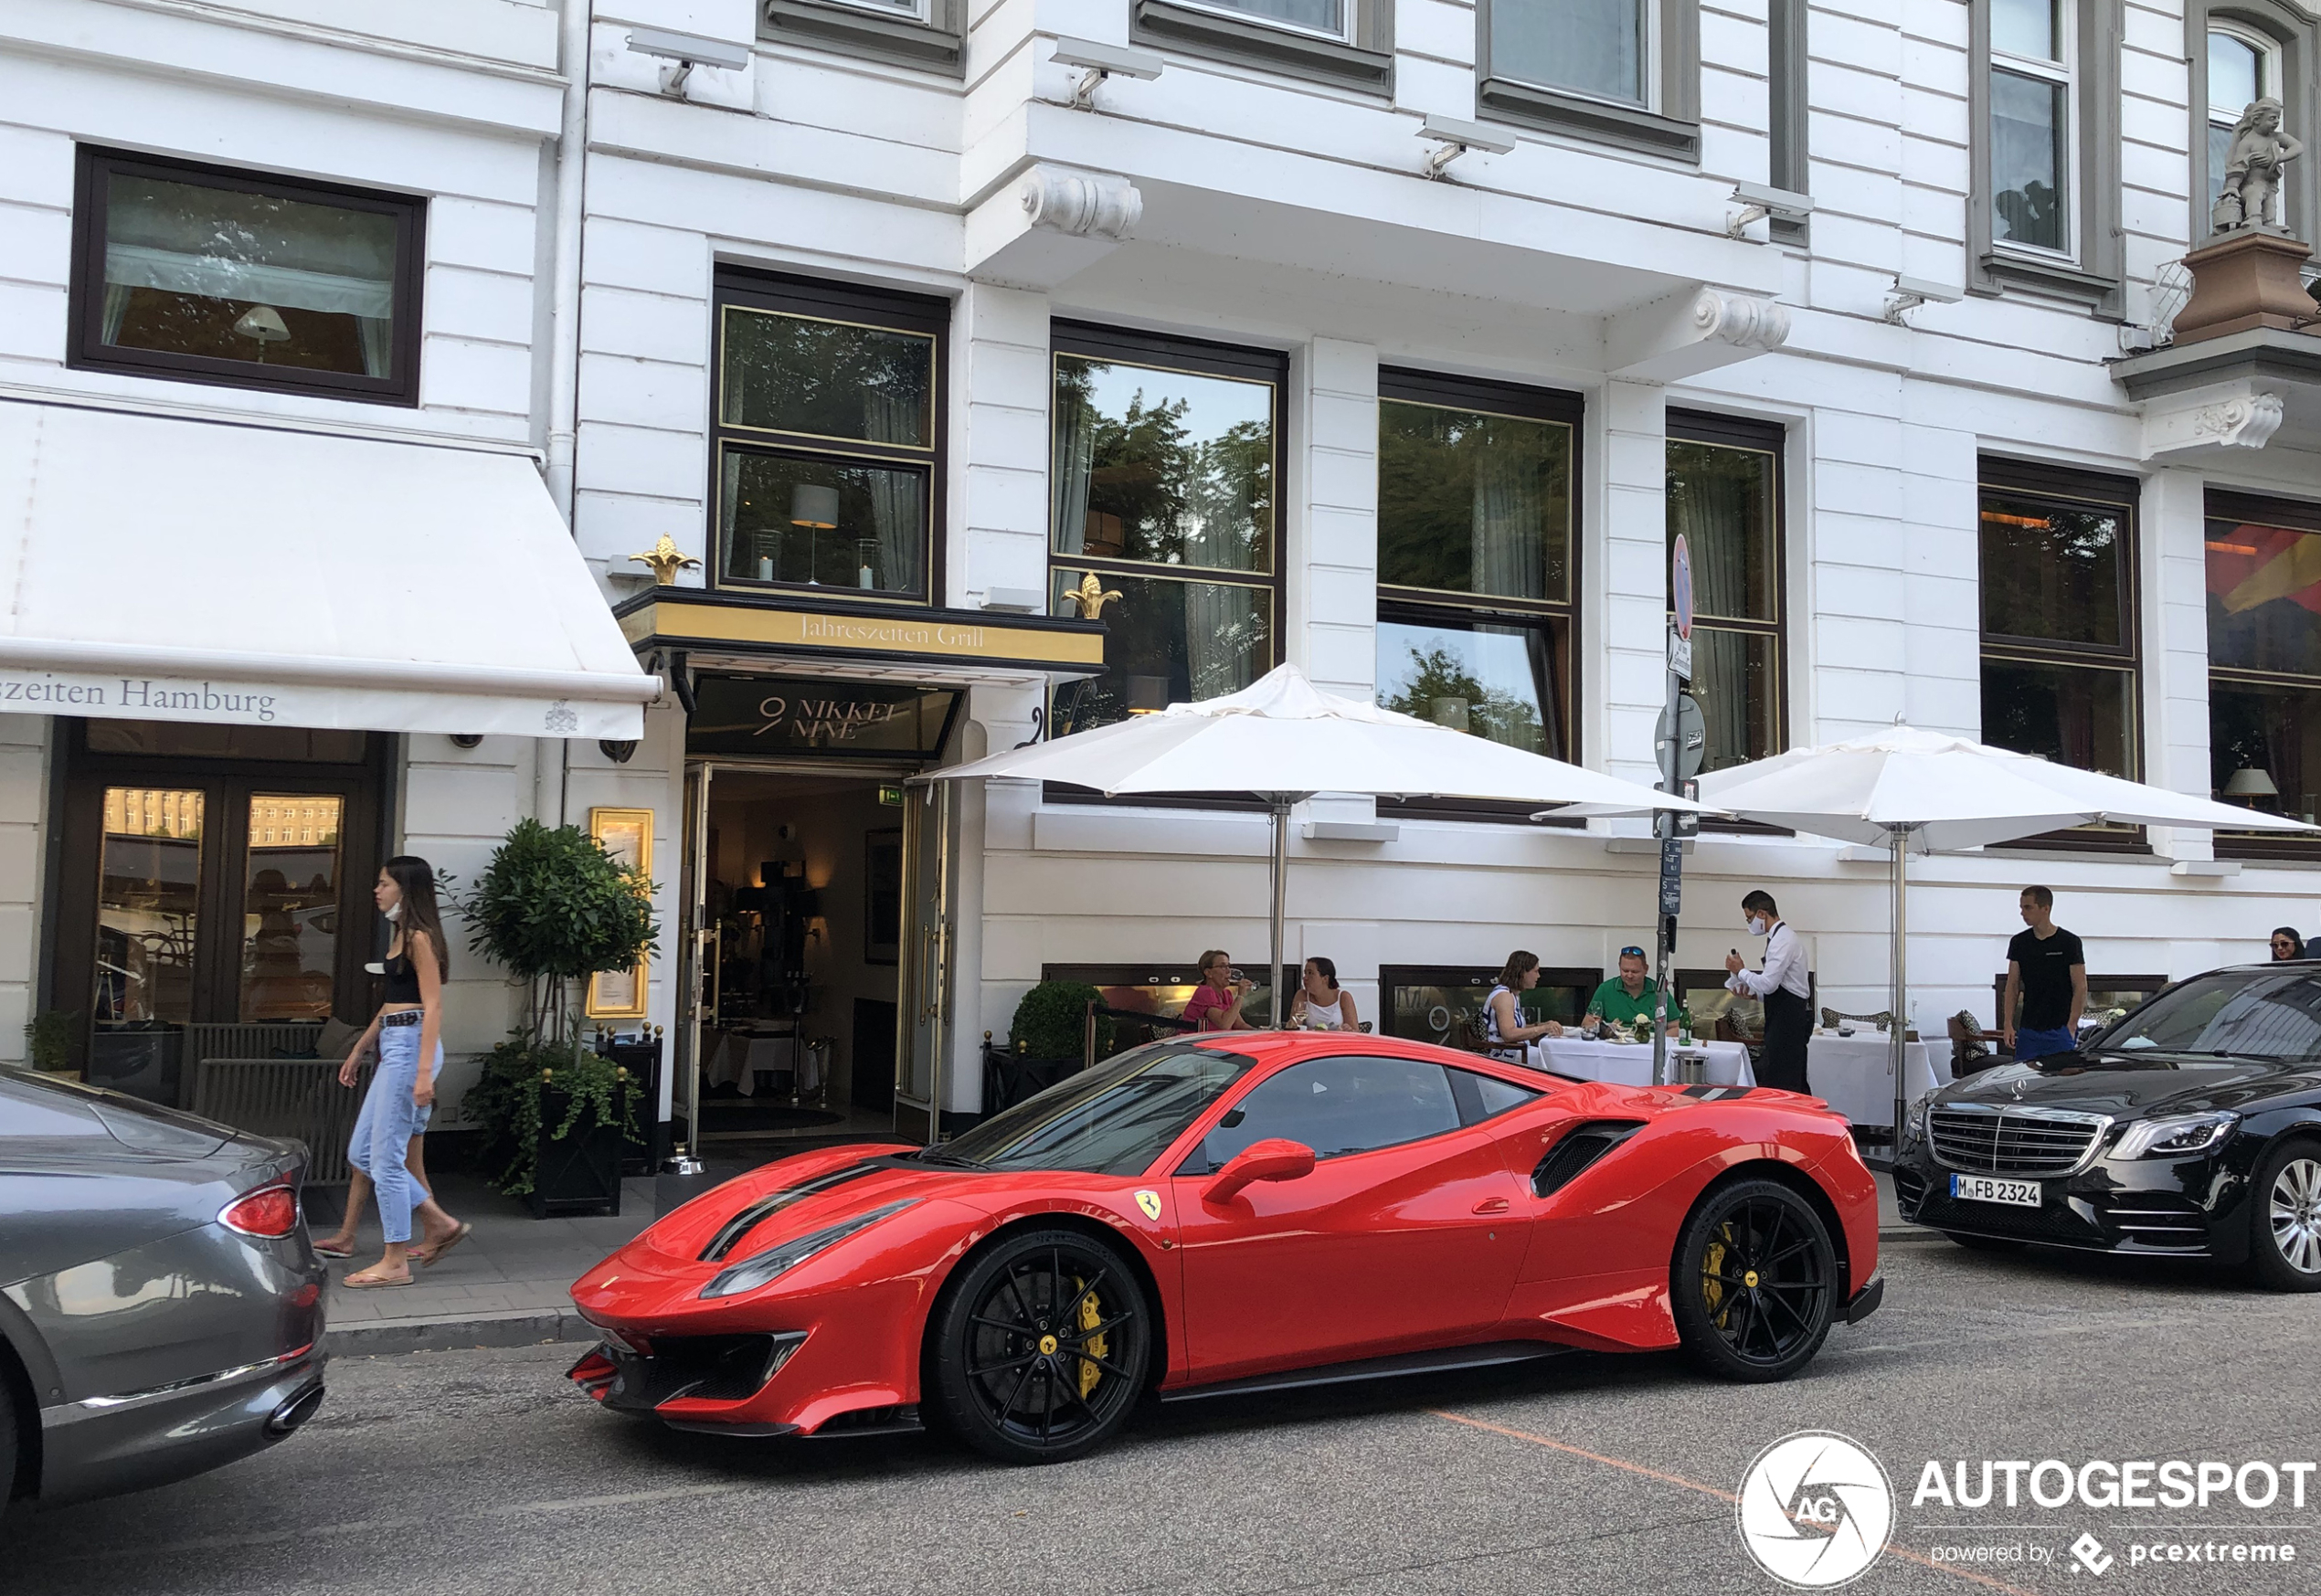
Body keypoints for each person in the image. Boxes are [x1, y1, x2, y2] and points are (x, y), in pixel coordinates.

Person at [341, 857, 469, 1288]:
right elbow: (394, 1002)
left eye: (383, 884)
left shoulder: (419, 938)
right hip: (395, 1044)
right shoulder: (399, 935)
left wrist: (423, 1074)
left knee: (386, 1160)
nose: (377, 891)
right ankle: (438, 1221)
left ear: (405, 888)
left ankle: (395, 1260)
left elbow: (431, 1006)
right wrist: (360, 1047)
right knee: (363, 1153)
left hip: (412, 1048)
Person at [1724, 890, 1811, 1093]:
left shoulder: (1783, 941)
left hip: (1789, 1019)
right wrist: (1755, 994)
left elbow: (1769, 984)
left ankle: (1790, 1121)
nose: (1749, 924)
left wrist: (1741, 971)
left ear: (1762, 914)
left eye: (1749, 918)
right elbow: (1781, 986)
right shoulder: (1779, 939)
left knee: (1784, 1080)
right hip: (1784, 1013)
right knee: (1788, 1076)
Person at [2003, 885, 2086, 1063]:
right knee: (2024, 1081)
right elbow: (2012, 985)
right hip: (2029, 1030)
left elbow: (2080, 986)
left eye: (2028, 907)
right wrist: (2008, 1023)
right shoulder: (2019, 943)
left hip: (2060, 1029)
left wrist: (2072, 1024)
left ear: (2045, 908)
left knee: (2060, 1082)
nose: (2023, 913)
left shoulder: (2069, 942)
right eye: (2021, 908)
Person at [1483, 951, 1564, 1062]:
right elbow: (1509, 1034)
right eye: (1535, 971)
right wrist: (1543, 1029)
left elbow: (1515, 1028)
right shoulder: (1504, 997)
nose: (1538, 976)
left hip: (1515, 1051)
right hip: (1505, 1055)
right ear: (1523, 973)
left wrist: (1543, 1025)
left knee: (1555, 1057)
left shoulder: (1512, 994)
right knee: (1557, 1059)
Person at [1584, 946, 1673, 1038]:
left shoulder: (1659, 991)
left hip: (1649, 1045)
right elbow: (1587, 1023)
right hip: (1614, 1045)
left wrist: (1656, 1039)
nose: (1629, 975)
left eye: (1635, 972)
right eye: (1625, 971)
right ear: (1619, 967)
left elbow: (1676, 1027)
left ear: (1646, 969)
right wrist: (1606, 1030)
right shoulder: (1605, 989)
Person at [1182, 949, 1254, 1031]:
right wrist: (1240, 996)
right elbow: (1224, 1024)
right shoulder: (1204, 992)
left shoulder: (1226, 994)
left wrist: (1260, 1032)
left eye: (1228, 966)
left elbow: (1239, 1024)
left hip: (1217, 1041)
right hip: (1195, 1042)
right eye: (1223, 967)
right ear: (1208, 973)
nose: (1228, 971)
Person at [1288, 957, 1359, 1031]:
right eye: (1305, 973)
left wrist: (1348, 1029)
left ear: (1325, 979)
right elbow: (1295, 1026)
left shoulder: (1343, 997)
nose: (1305, 978)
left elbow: (1355, 1032)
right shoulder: (1303, 996)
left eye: (1310, 973)